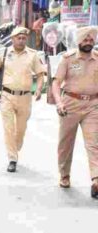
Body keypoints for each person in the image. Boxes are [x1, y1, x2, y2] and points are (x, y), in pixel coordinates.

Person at [0, 27, 46, 173]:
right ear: (13, 39)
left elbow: (40, 74)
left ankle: (15, 147)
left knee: (20, 130)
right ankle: (12, 158)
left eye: (24, 38)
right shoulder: (4, 52)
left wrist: (39, 89)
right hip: (7, 96)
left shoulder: (32, 55)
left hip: (25, 97)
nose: (21, 41)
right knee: (9, 128)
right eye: (18, 38)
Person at [52, 26, 98, 198]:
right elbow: (56, 83)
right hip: (70, 104)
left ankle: (96, 179)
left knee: (94, 143)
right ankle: (64, 174)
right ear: (79, 41)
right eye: (85, 40)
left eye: (91, 40)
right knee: (65, 143)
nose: (88, 43)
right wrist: (59, 103)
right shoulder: (68, 59)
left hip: (93, 105)